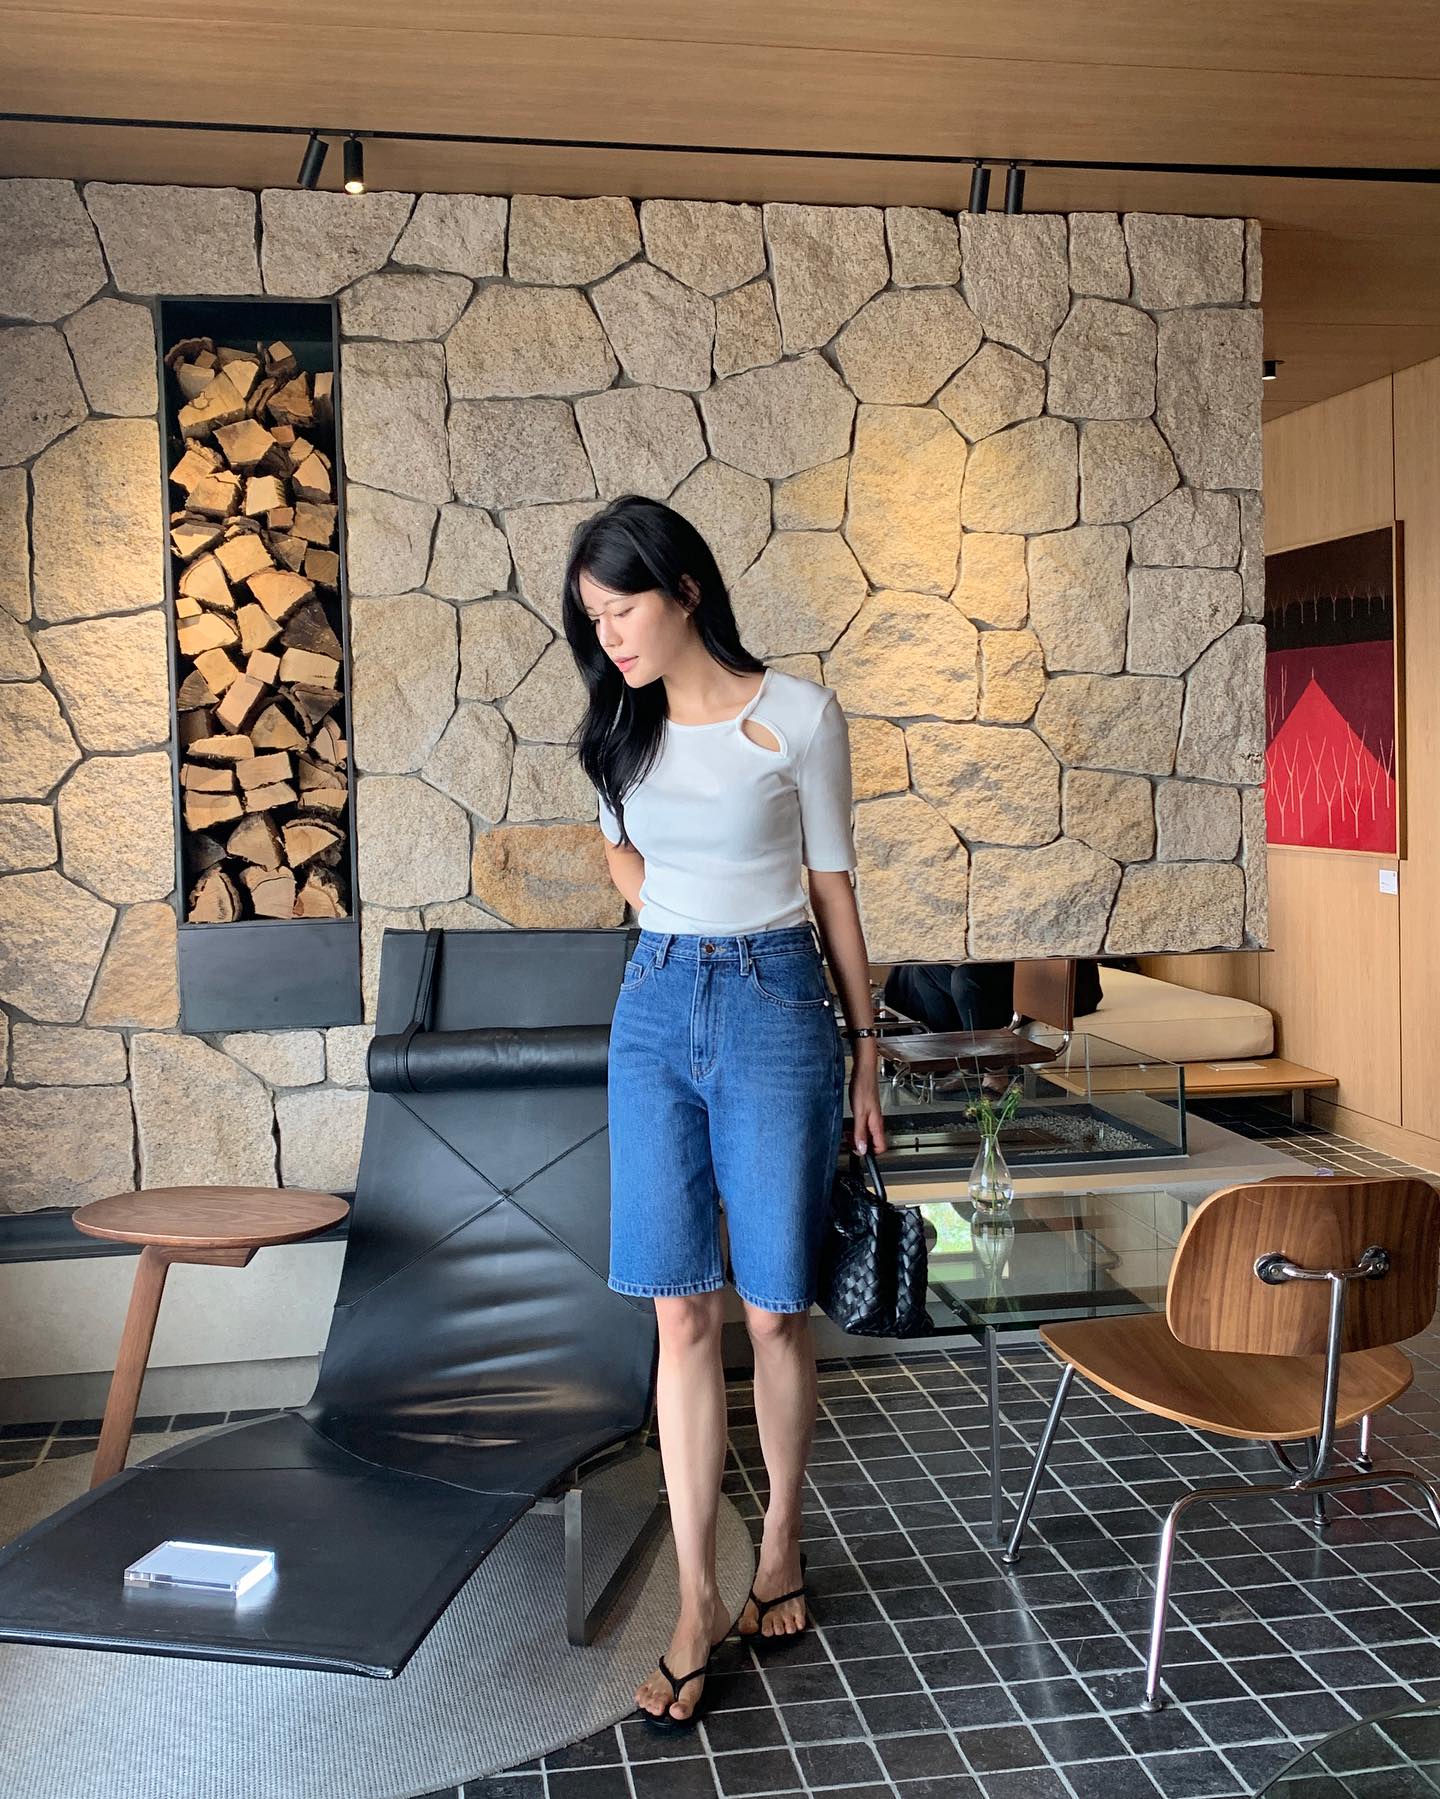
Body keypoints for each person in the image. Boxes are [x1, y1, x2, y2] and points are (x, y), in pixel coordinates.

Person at [563, 495, 886, 1733]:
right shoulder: (619, 726)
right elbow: (617, 854)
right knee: (678, 1309)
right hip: (654, 1005)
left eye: (623, 609)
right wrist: (674, 915)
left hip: (777, 1001)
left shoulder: (797, 715)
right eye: (594, 620)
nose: (610, 637)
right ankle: (699, 1598)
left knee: (774, 1306)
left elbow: (833, 884)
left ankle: (781, 1544)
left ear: (686, 588)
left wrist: (865, 1047)